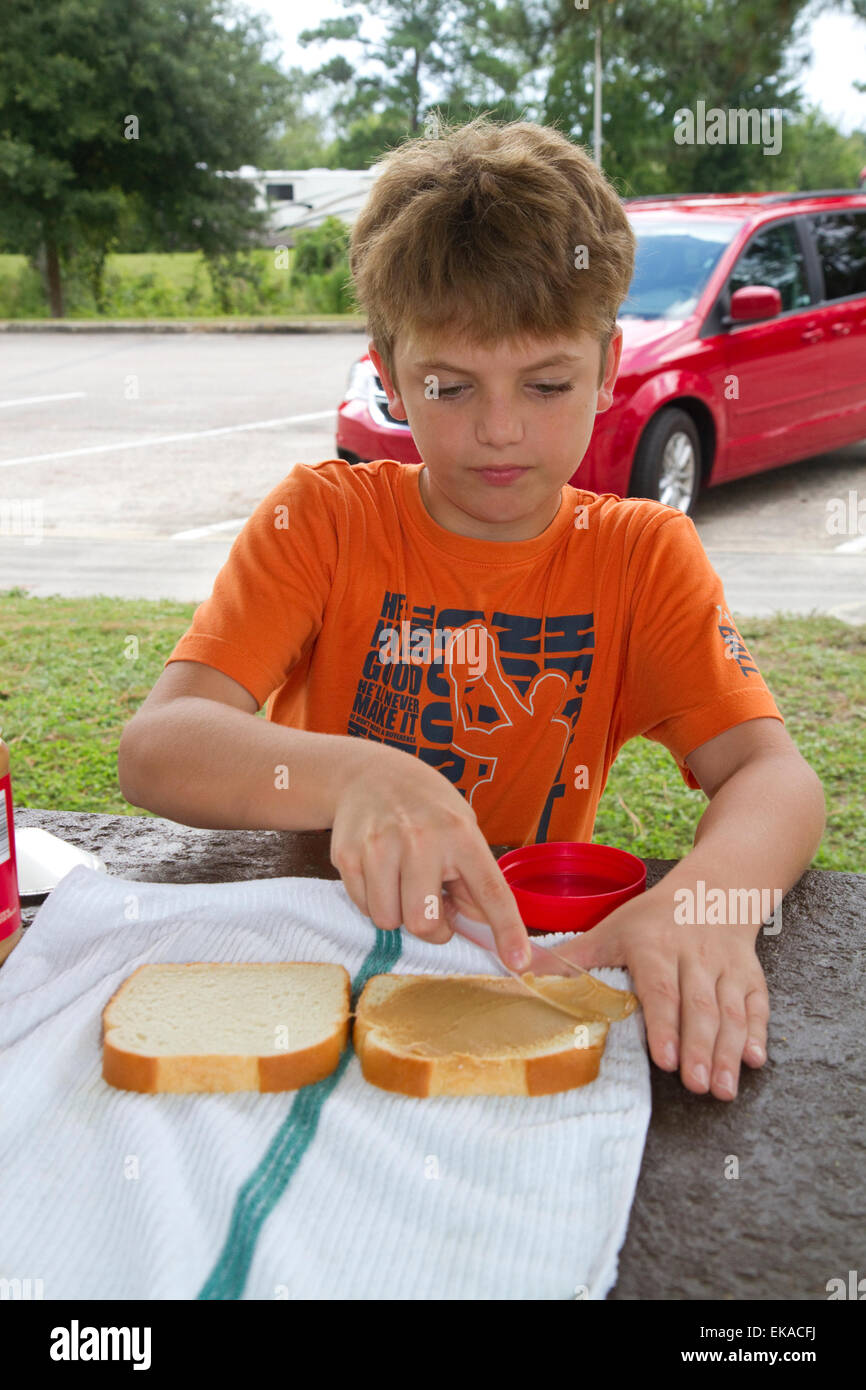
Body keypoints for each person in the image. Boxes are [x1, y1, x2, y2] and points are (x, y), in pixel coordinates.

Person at [118, 116, 825, 1102]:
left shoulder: (639, 555)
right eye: (449, 386)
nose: (499, 431)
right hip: (309, 960)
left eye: (545, 384)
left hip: (510, 969)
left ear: (607, 362)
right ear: (390, 371)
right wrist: (362, 775)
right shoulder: (321, 518)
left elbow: (774, 778)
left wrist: (707, 902)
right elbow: (158, 747)